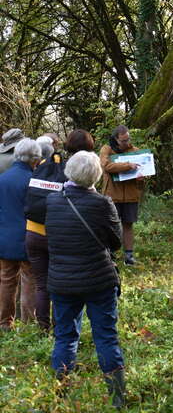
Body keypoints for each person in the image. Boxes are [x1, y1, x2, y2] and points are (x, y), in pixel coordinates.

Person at [46, 151, 125, 408]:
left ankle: (60, 395)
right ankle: (118, 399)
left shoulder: (52, 202)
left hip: (62, 282)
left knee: (65, 337)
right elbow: (116, 242)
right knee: (106, 337)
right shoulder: (103, 204)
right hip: (98, 281)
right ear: (96, 174)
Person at [25, 129, 95, 330]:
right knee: (59, 285)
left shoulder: (44, 165)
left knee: (41, 284)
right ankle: (60, 326)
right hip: (58, 235)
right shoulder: (76, 171)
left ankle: (42, 327)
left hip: (32, 232)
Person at [0, 138, 41, 329]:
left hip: (4, 237)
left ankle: (5, 322)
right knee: (29, 280)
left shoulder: (2, 178)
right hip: (28, 237)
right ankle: (28, 325)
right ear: (34, 159)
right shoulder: (33, 181)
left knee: (7, 280)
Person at [100, 125, 143, 265]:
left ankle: (129, 256)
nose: (126, 143)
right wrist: (127, 166)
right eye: (123, 140)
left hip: (130, 195)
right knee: (110, 226)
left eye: (128, 139)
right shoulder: (107, 149)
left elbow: (143, 170)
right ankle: (109, 254)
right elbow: (106, 166)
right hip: (112, 195)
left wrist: (141, 177)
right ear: (116, 139)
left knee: (128, 225)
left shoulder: (135, 151)